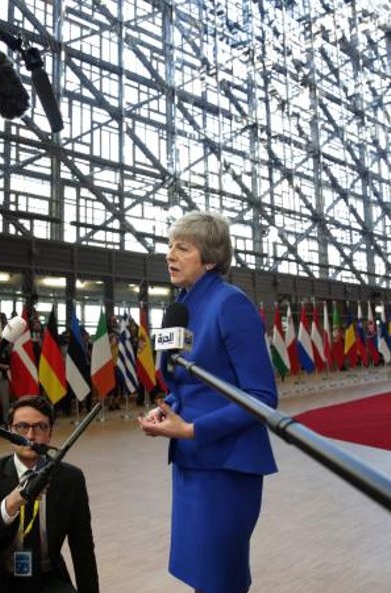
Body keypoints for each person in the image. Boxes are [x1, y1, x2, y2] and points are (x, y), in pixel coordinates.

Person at [137, 211, 277, 593]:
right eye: (169, 246)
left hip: (226, 466)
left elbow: (263, 397)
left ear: (211, 259)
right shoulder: (179, 308)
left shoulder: (231, 304)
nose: (170, 255)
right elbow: (183, 380)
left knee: (221, 579)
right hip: (191, 462)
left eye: (183, 248)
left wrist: (194, 428)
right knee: (201, 576)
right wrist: (166, 407)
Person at [0, 397, 98, 593]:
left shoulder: (71, 478)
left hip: (46, 576)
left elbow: (82, 547)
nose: (30, 436)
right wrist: (12, 502)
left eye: (40, 427)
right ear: (9, 431)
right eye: (22, 427)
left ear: (50, 433)